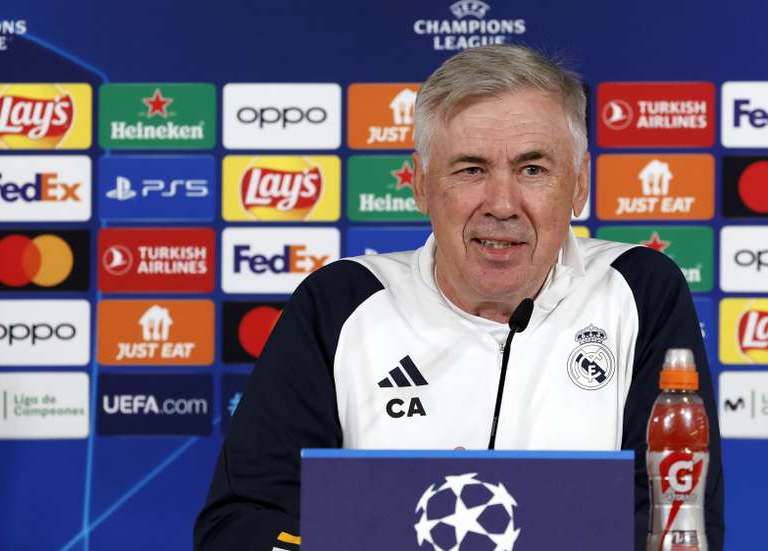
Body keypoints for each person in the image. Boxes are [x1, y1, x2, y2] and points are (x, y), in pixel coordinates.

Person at [194, 44, 724, 551]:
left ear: (580, 184)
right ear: (422, 184)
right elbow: (241, 524)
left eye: (532, 169)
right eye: (471, 169)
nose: (501, 203)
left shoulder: (638, 290)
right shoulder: (339, 302)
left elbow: (678, 520)